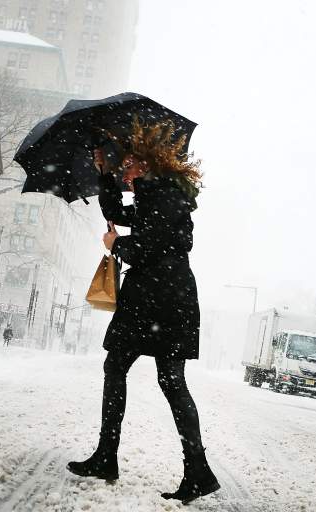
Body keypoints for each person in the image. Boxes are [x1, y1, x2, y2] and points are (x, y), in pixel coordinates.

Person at [67, 120, 219, 505]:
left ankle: (118, 457)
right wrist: (102, 172)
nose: (124, 169)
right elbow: (117, 210)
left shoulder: (163, 197)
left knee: (146, 374)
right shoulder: (159, 194)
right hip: (166, 297)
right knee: (156, 376)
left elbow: (147, 249)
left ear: (147, 161)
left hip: (158, 299)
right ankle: (186, 467)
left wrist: (116, 244)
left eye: (128, 163)